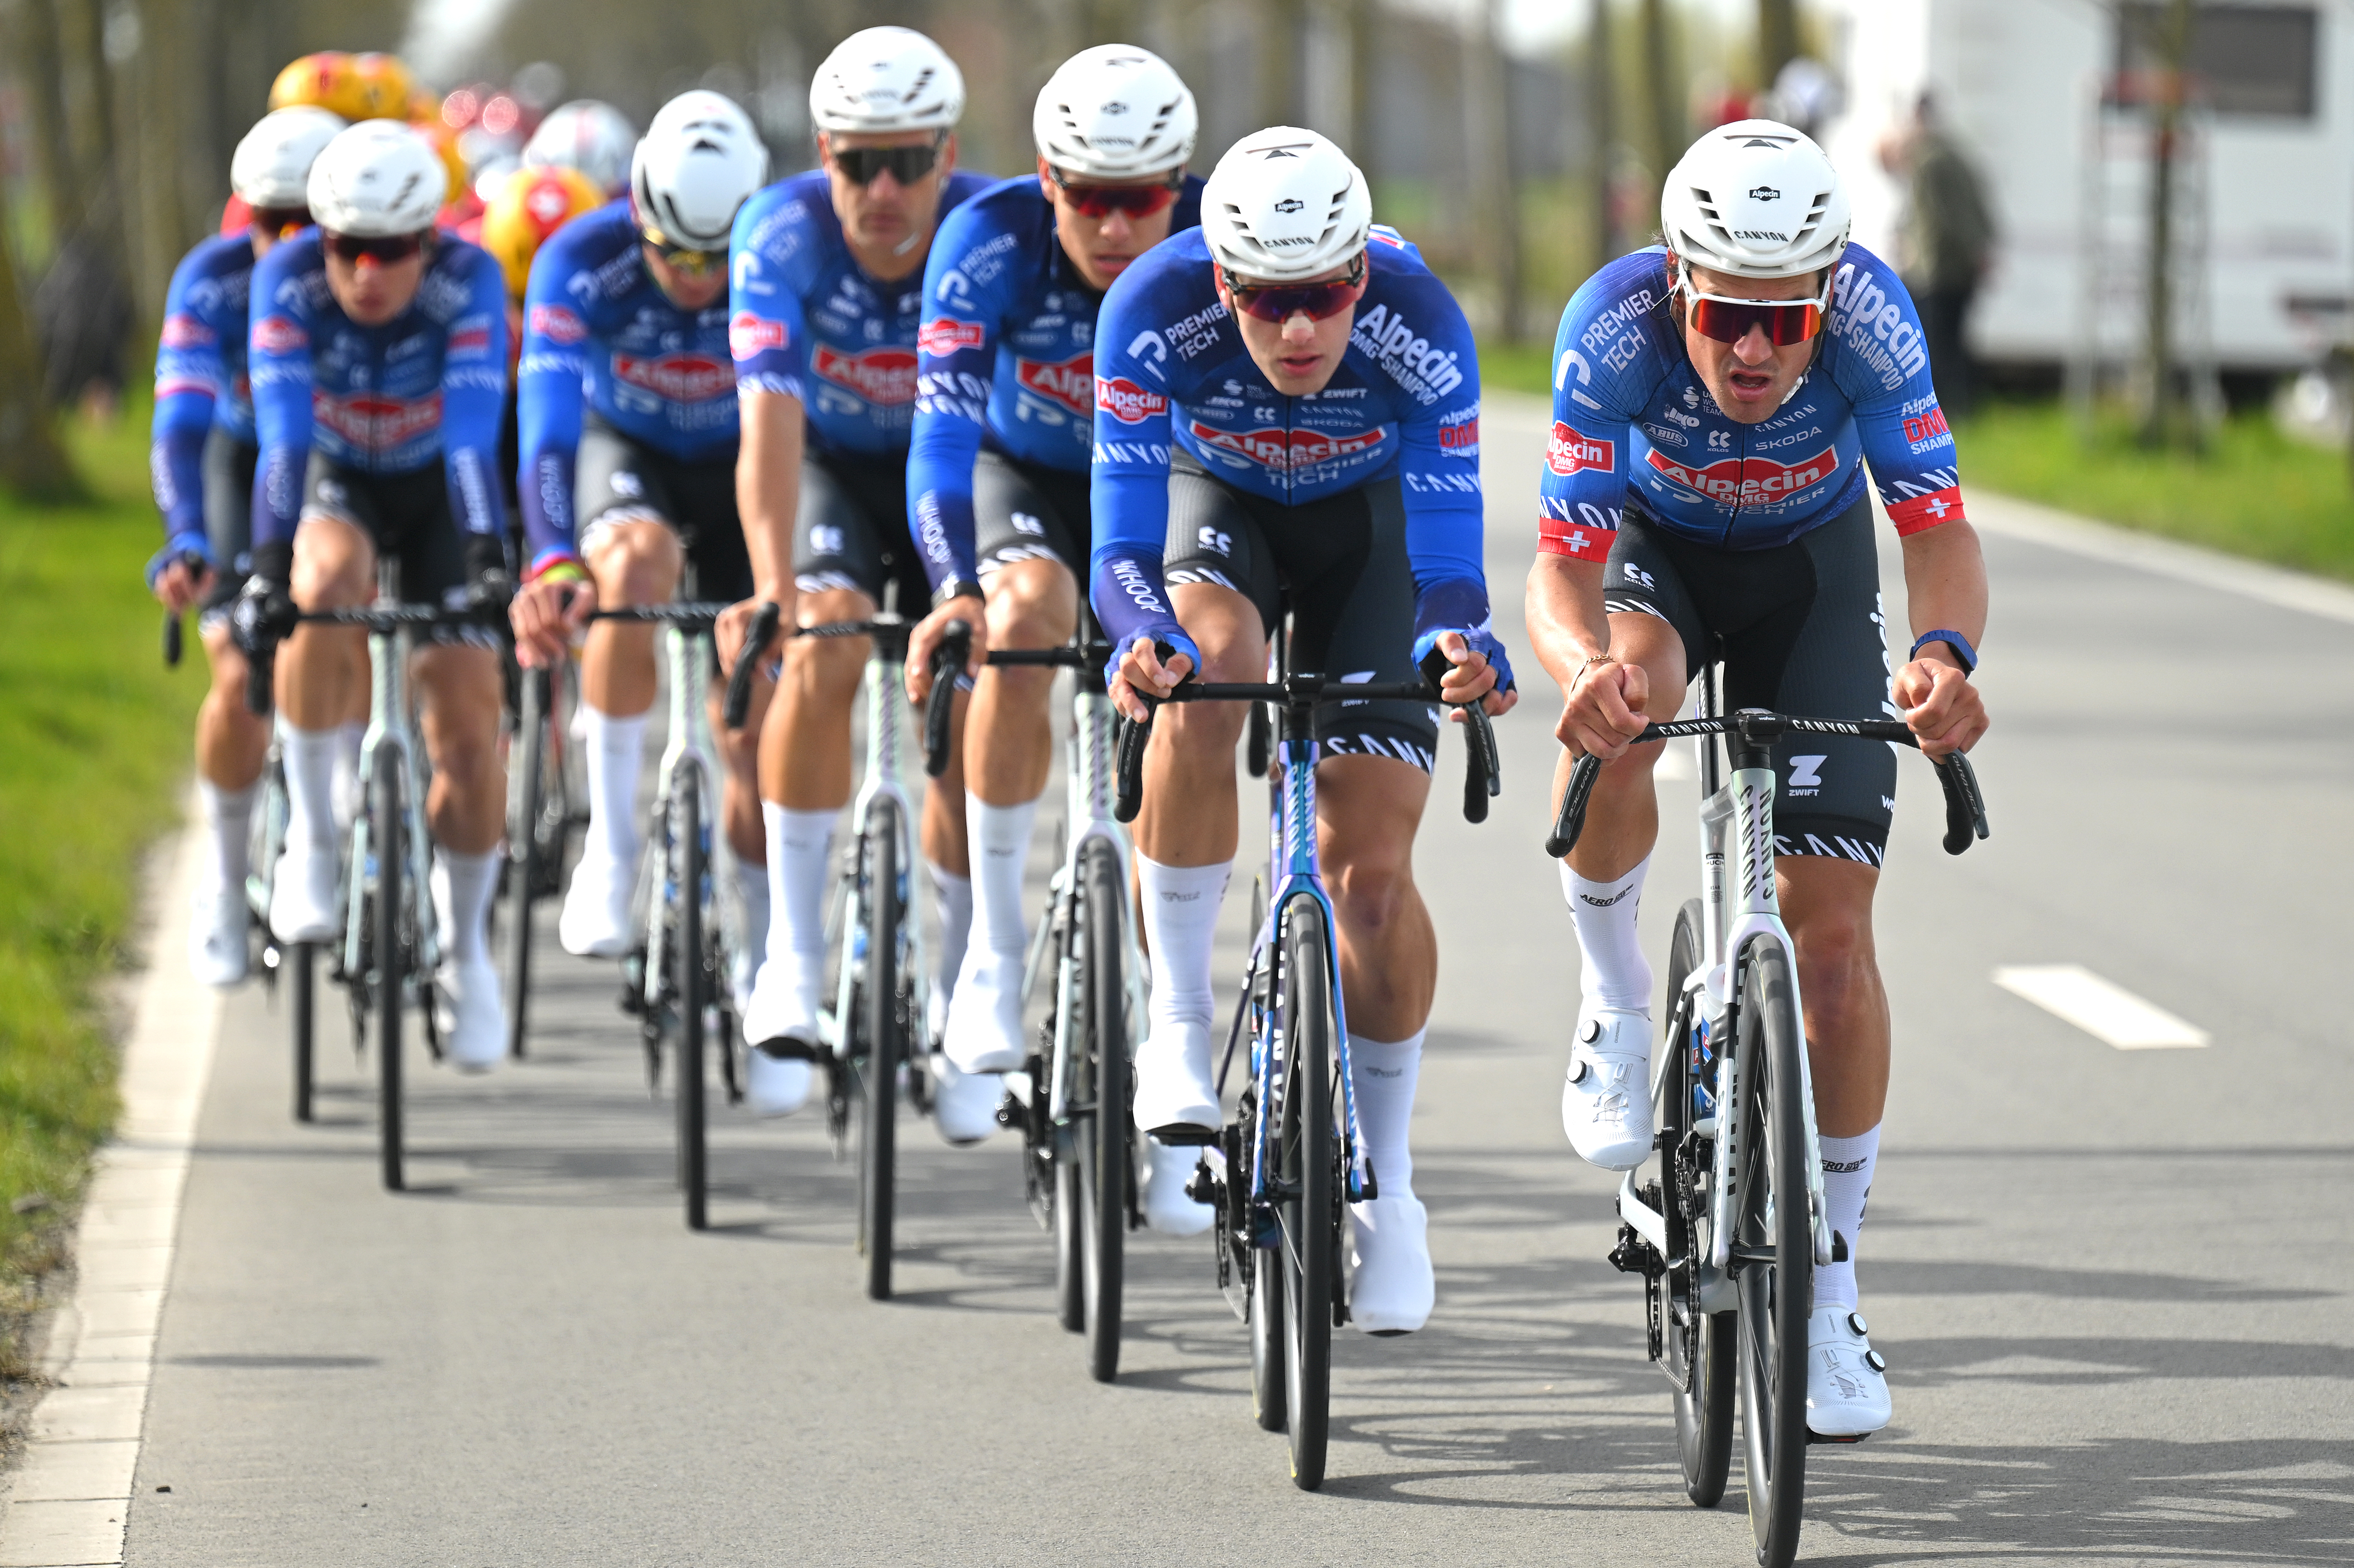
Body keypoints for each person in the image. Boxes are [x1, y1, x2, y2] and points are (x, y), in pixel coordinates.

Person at [1528, 119, 1990, 1437]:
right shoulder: (1608, 328)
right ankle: (1615, 997)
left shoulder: (1872, 322)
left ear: (1824, 298)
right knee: (1627, 703)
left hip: (1808, 575)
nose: (1751, 350)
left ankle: (1830, 1286)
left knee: (1830, 947)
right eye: (1724, 315)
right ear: (1677, 283)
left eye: (1782, 322)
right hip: (1656, 561)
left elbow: (1935, 529)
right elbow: (1557, 565)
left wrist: (1944, 657)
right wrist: (1576, 667)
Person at [1089, 128, 1511, 1329]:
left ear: (1359, 274)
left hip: (1367, 534)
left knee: (1367, 876)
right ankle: (1179, 1022)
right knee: (1209, 664)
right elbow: (1120, 542)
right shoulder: (1150, 305)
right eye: (1265, 301)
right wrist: (1139, 636)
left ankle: (1392, 1188)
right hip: (1218, 511)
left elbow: (1447, 555)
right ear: (1220, 279)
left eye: (1322, 296)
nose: (1294, 329)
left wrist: (1455, 643)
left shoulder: (1420, 318)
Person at [901, 45, 1203, 1144]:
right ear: (1044, 178)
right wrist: (953, 586)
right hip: (1021, 477)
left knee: (1196, 661)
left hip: (1164, 487)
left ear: (1181, 182)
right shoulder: (984, 240)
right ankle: (992, 945)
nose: (1115, 224)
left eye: (1141, 198)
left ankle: (1170, 1027)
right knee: (1023, 611)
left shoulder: (1220, 239)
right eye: (1086, 196)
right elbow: (939, 438)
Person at [727, 26, 992, 1128]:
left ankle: (965, 989)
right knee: (822, 634)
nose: (883, 190)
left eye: (909, 162)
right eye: (858, 163)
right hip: (832, 472)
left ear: (947, 155)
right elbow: (768, 431)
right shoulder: (777, 231)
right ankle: (790, 954)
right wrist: (771, 587)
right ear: (822, 154)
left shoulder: (984, 229)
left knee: (968, 701)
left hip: (955, 479)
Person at [233, 119, 516, 1071]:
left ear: (428, 239)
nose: (366, 272)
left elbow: (472, 433)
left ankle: (468, 950)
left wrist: (487, 561)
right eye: (346, 247)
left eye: (390, 250)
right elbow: (282, 436)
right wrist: (266, 569)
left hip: (440, 489)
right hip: (338, 479)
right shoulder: (287, 280)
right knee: (319, 583)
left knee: (468, 724)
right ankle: (314, 842)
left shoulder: (470, 280)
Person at [505, 92, 773, 980]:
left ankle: (764, 937)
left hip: (741, 464)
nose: (698, 276)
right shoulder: (581, 258)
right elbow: (547, 429)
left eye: (717, 256)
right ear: (637, 212)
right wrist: (554, 557)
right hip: (626, 453)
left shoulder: (779, 251)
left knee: (751, 727)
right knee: (632, 565)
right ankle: (612, 848)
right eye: (675, 253)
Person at [148, 105, 345, 986]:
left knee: (346, 617)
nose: (291, 241)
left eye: (311, 223)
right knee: (236, 675)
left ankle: (344, 807)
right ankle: (225, 885)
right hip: (242, 460)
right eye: (274, 221)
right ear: (244, 214)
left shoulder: (370, 275)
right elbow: (179, 429)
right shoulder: (212, 280)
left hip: (341, 466)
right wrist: (186, 536)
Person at [1882, 95, 1994, 418]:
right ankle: (1964, 408)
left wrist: (1918, 267)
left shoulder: (1927, 164)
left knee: (1934, 345)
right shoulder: (1955, 153)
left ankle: (1942, 410)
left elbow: (1934, 221)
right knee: (1954, 341)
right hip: (1961, 267)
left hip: (1937, 271)